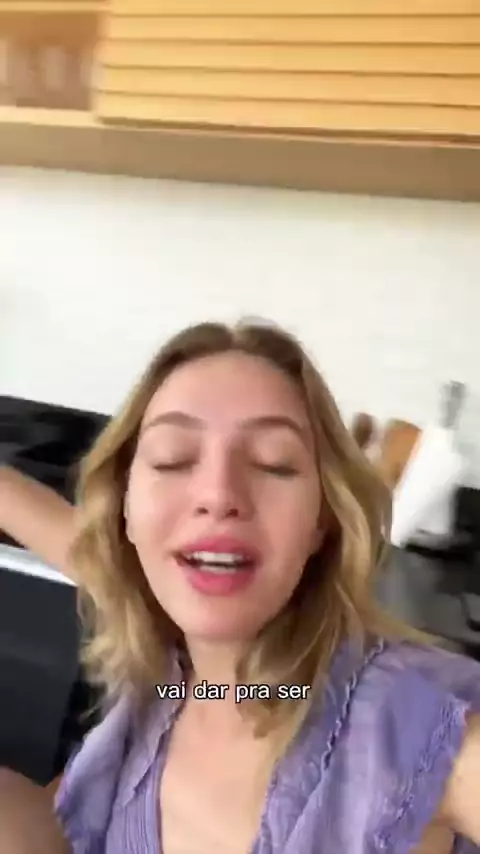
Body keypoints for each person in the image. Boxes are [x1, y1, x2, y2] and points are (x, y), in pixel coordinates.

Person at [1, 318, 480, 854]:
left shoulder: (409, 726)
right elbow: (78, 546)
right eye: (173, 459)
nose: (218, 493)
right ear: (126, 512)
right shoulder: (175, 666)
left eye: (273, 464)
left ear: (321, 521)